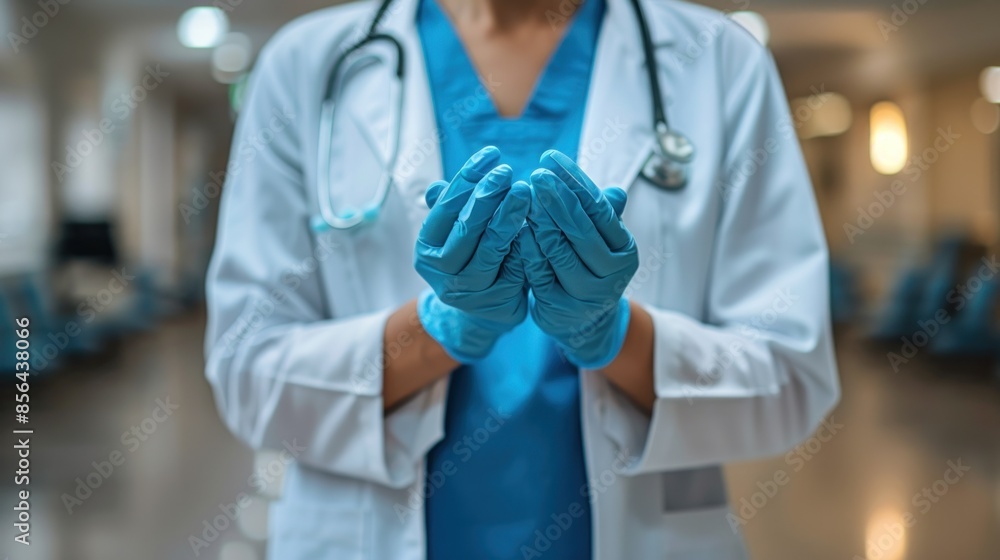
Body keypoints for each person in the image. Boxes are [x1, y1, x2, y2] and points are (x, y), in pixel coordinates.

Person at [204, 0, 840, 557]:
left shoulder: (720, 62)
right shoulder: (306, 65)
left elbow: (790, 380)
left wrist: (614, 333)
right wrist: (438, 330)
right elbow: (247, 374)